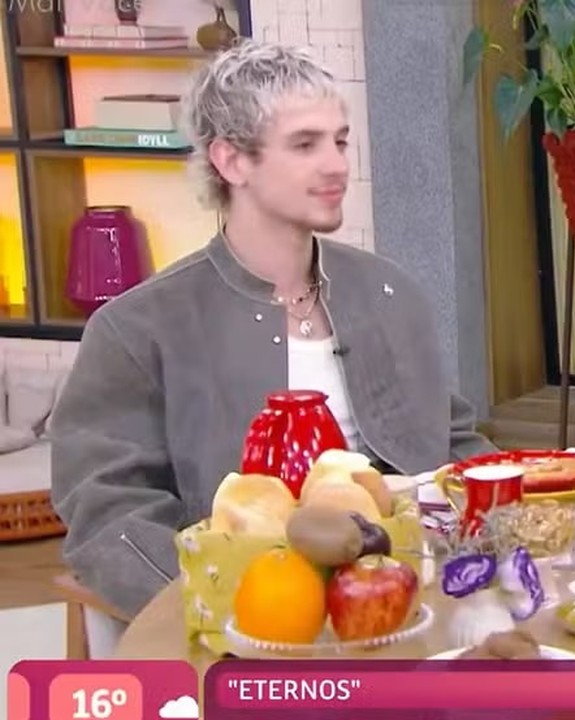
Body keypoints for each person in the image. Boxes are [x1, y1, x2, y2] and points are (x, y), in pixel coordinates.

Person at [49, 40, 497, 618]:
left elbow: (452, 441)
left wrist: (516, 519)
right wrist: (217, 605)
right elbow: (105, 509)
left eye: (339, 140)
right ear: (231, 161)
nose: (336, 164)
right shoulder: (137, 328)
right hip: (255, 611)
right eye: (305, 145)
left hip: (413, 593)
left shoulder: (388, 292)